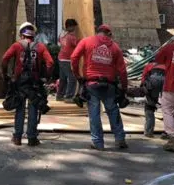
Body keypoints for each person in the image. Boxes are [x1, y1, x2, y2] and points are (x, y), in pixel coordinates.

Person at [70, 23, 128, 151]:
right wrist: (124, 88)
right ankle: (120, 139)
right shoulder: (115, 47)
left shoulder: (87, 41)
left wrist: (78, 76)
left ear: (98, 32)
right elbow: (123, 71)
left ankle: (98, 142)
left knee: (94, 113)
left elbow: (74, 57)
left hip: (92, 84)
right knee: (113, 111)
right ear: (108, 33)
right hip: (109, 85)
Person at [2, 22, 53, 146]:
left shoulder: (16, 46)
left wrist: (6, 75)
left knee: (19, 109)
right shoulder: (40, 47)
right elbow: (50, 62)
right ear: (33, 35)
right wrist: (46, 77)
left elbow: (4, 59)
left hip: (19, 82)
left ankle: (17, 137)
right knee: (33, 108)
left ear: (21, 34)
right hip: (34, 84)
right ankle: (31, 138)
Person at [141, 59, 166, 137]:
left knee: (149, 107)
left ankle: (149, 131)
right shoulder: (167, 65)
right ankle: (170, 133)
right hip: (166, 83)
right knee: (168, 109)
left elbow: (144, 77)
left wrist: (143, 87)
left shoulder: (149, 65)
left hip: (153, 84)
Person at [57, 18, 79, 101]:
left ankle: (60, 96)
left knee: (63, 78)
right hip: (67, 60)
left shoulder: (63, 34)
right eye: (74, 27)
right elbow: (77, 45)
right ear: (70, 27)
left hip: (60, 59)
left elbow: (60, 41)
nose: (75, 29)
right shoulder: (71, 37)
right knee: (72, 78)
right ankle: (69, 96)